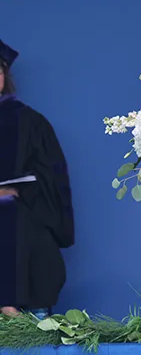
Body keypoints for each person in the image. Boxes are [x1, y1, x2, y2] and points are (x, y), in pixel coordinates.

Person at [0, 40, 74, 318]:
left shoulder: (30, 123)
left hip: (21, 215)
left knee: (22, 226)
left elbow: (50, 180)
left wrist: (14, 192)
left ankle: (19, 316)